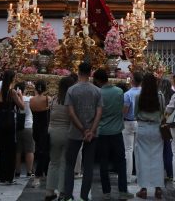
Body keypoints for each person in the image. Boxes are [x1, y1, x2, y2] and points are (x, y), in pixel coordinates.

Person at [63, 62, 103, 201]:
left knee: (70, 164)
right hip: (92, 134)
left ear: (78, 71)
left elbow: (71, 113)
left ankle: (68, 195)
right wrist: (91, 131)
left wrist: (82, 129)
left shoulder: (72, 90)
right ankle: (84, 195)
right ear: (91, 72)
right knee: (88, 165)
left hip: (75, 131)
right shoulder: (97, 91)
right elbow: (99, 113)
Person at [93, 69, 134, 200]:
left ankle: (106, 192)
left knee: (103, 162)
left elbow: (96, 113)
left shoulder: (97, 93)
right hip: (117, 132)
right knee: (121, 161)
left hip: (102, 132)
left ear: (98, 80)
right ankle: (122, 190)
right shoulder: (119, 92)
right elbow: (122, 109)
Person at [134, 73, 165, 199]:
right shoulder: (160, 96)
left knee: (142, 159)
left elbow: (135, 113)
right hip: (156, 128)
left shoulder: (138, 96)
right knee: (158, 157)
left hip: (142, 128)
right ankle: (158, 188)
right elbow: (163, 112)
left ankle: (144, 189)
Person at [46, 76, 76, 201]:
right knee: (64, 163)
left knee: (53, 162)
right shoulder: (71, 101)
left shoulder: (53, 99)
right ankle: (62, 192)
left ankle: (49, 191)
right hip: (67, 133)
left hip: (53, 132)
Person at [0, 70, 25, 184]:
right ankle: (8, 176)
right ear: (12, 78)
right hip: (10, 122)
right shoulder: (12, 91)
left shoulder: (0, 91)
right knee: (10, 149)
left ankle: (1, 175)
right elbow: (22, 107)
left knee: (2, 149)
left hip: (1, 121)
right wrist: (20, 95)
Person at [30, 79, 51, 186]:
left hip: (35, 127)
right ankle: (39, 174)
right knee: (44, 151)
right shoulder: (47, 99)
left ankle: (44, 172)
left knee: (40, 150)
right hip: (45, 128)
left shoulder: (32, 100)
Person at [122, 72, 143, 182]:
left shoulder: (128, 94)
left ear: (132, 81)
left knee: (128, 150)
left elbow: (125, 110)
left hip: (128, 122)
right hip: (141, 122)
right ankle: (140, 176)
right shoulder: (144, 93)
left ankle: (128, 177)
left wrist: (122, 116)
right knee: (138, 150)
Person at [15, 82, 35, 178]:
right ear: (25, 90)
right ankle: (29, 171)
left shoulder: (15, 99)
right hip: (28, 125)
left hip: (17, 125)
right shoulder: (30, 99)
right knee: (29, 149)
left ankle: (17, 171)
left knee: (18, 150)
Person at [158, 76, 175, 181]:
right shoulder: (174, 95)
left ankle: (160, 172)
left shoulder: (159, 96)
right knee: (169, 149)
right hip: (172, 124)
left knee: (160, 149)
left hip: (161, 124)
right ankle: (170, 173)